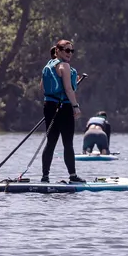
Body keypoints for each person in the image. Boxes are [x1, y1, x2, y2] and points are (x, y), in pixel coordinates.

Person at [41, 39, 84, 183]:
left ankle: (45, 177)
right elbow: (68, 89)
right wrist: (75, 106)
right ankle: (73, 176)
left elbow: (43, 87)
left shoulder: (48, 66)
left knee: (51, 142)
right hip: (64, 107)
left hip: (49, 106)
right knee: (68, 143)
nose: (69, 53)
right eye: (66, 50)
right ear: (58, 51)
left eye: (71, 51)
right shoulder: (64, 66)